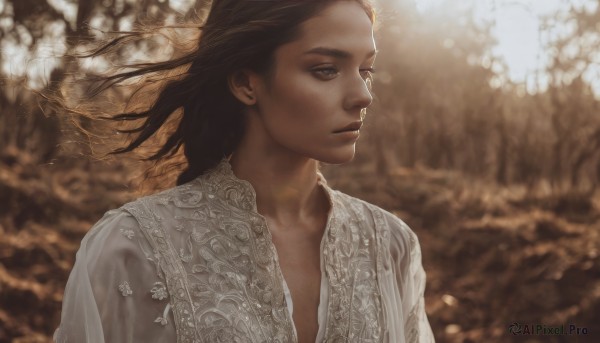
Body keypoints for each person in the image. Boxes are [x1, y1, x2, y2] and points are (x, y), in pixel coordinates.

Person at [53, 0, 435, 342]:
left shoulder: (390, 245)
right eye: (325, 70)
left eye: (366, 69)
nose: (363, 95)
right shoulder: (132, 247)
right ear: (245, 83)